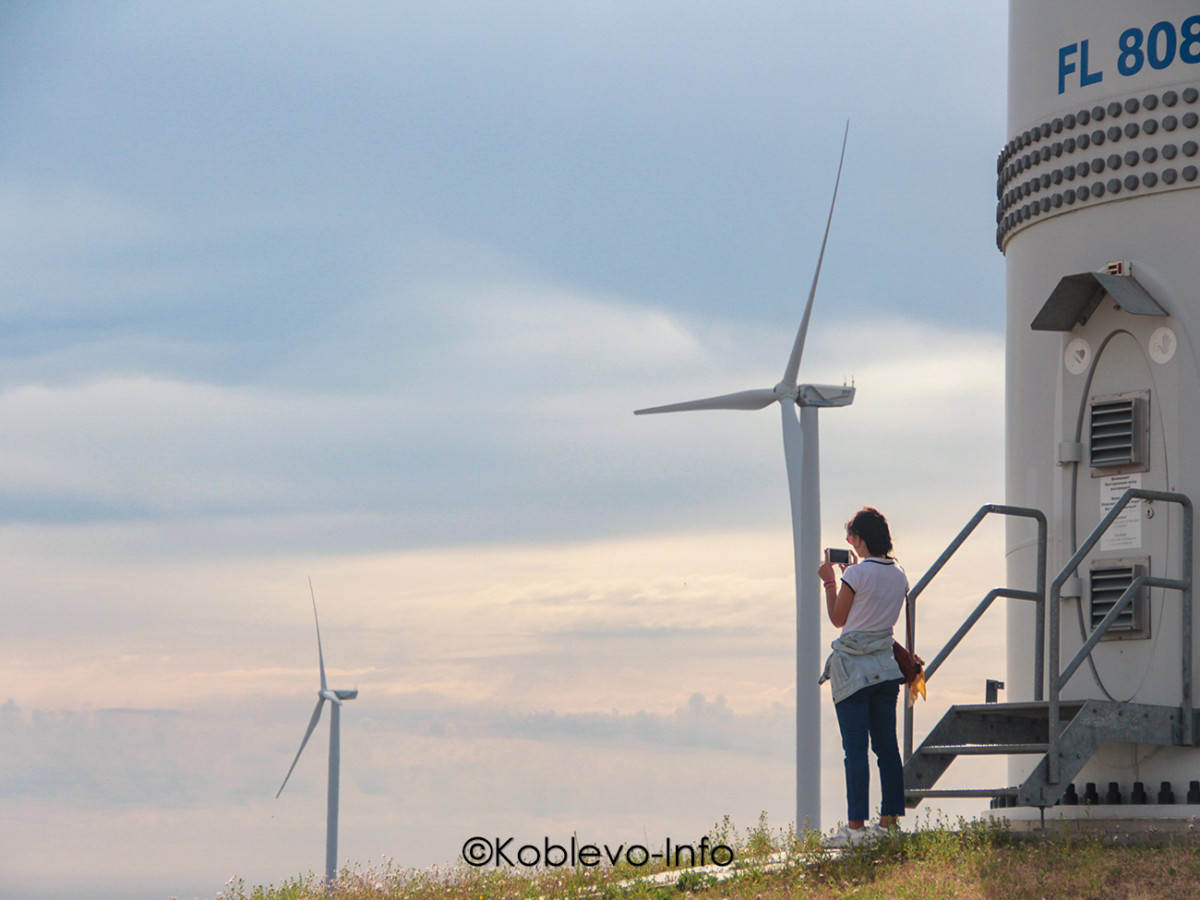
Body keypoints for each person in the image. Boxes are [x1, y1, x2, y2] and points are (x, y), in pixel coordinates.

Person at [817, 506, 907, 847]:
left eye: (850, 537)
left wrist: (830, 581)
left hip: (854, 671)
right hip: (885, 669)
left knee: (855, 750)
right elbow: (873, 611)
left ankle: (856, 828)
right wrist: (849, 577)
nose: (849, 542)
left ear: (859, 539)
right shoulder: (899, 573)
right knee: (887, 748)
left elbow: (838, 619)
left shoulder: (856, 575)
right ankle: (889, 824)